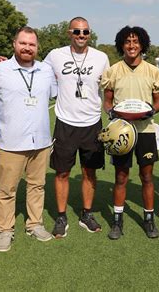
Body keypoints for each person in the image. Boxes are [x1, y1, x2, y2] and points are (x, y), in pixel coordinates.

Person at [0, 27, 57, 252]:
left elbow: (55, 94)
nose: (27, 47)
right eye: (23, 43)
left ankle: (34, 224)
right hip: (11, 143)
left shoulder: (46, 70)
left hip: (41, 142)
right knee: (7, 190)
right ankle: (5, 230)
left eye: (32, 44)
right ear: (14, 44)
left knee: (37, 186)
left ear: (37, 47)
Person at [44, 17, 110, 237]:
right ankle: (61, 216)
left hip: (92, 122)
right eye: (77, 31)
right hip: (65, 122)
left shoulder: (101, 57)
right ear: (69, 33)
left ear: (90, 34)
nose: (81, 35)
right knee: (62, 172)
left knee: (89, 172)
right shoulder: (55, 55)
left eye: (85, 32)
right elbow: (37, 73)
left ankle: (87, 213)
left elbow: (108, 87)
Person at [101, 25, 159, 240]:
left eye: (136, 41)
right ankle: (117, 220)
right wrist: (113, 114)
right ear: (121, 44)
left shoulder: (153, 71)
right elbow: (108, 102)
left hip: (146, 131)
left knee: (147, 176)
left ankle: (149, 219)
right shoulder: (113, 70)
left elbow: (158, 104)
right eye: (127, 42)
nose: (132, 45)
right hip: (122, 132)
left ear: (142, 44)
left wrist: (148, 113)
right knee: (121, 177)